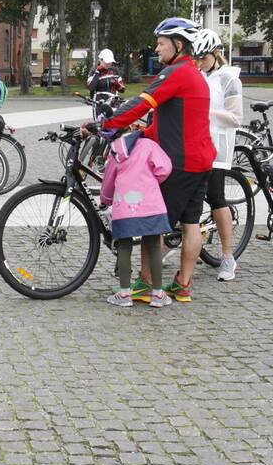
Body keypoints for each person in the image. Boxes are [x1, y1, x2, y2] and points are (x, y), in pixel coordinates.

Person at [97, 17, 216, 303]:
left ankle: (144, 284)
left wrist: (112, 121)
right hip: (200, 160)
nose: (157, 49)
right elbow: (178, 121)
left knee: (153, 226)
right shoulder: (193, 73)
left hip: (178, 163)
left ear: (178, 44)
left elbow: (143, 102)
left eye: (162, 44)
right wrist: (144, 131)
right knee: (190, 224)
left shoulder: (176, 72)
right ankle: (182, 285)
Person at [100, 130, 174, 307]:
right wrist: (154, 181)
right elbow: (165, 168)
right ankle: (157, 294)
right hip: (151, 205)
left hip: (124, 207)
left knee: (124, 246)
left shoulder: (115, 150)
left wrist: (106, 199)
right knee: (155, 245)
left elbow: (108, 181)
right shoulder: (149, 145)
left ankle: (124, 294)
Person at [193, 29, 243, 282]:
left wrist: (207, 112)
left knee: (215, 197)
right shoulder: (197, 75)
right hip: (196, 143)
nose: (199, 62)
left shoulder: (229, 79)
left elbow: (236, 117)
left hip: (217, 147)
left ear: (215, 54)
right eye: (197, 58)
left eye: (203, 57)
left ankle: (227, 257)